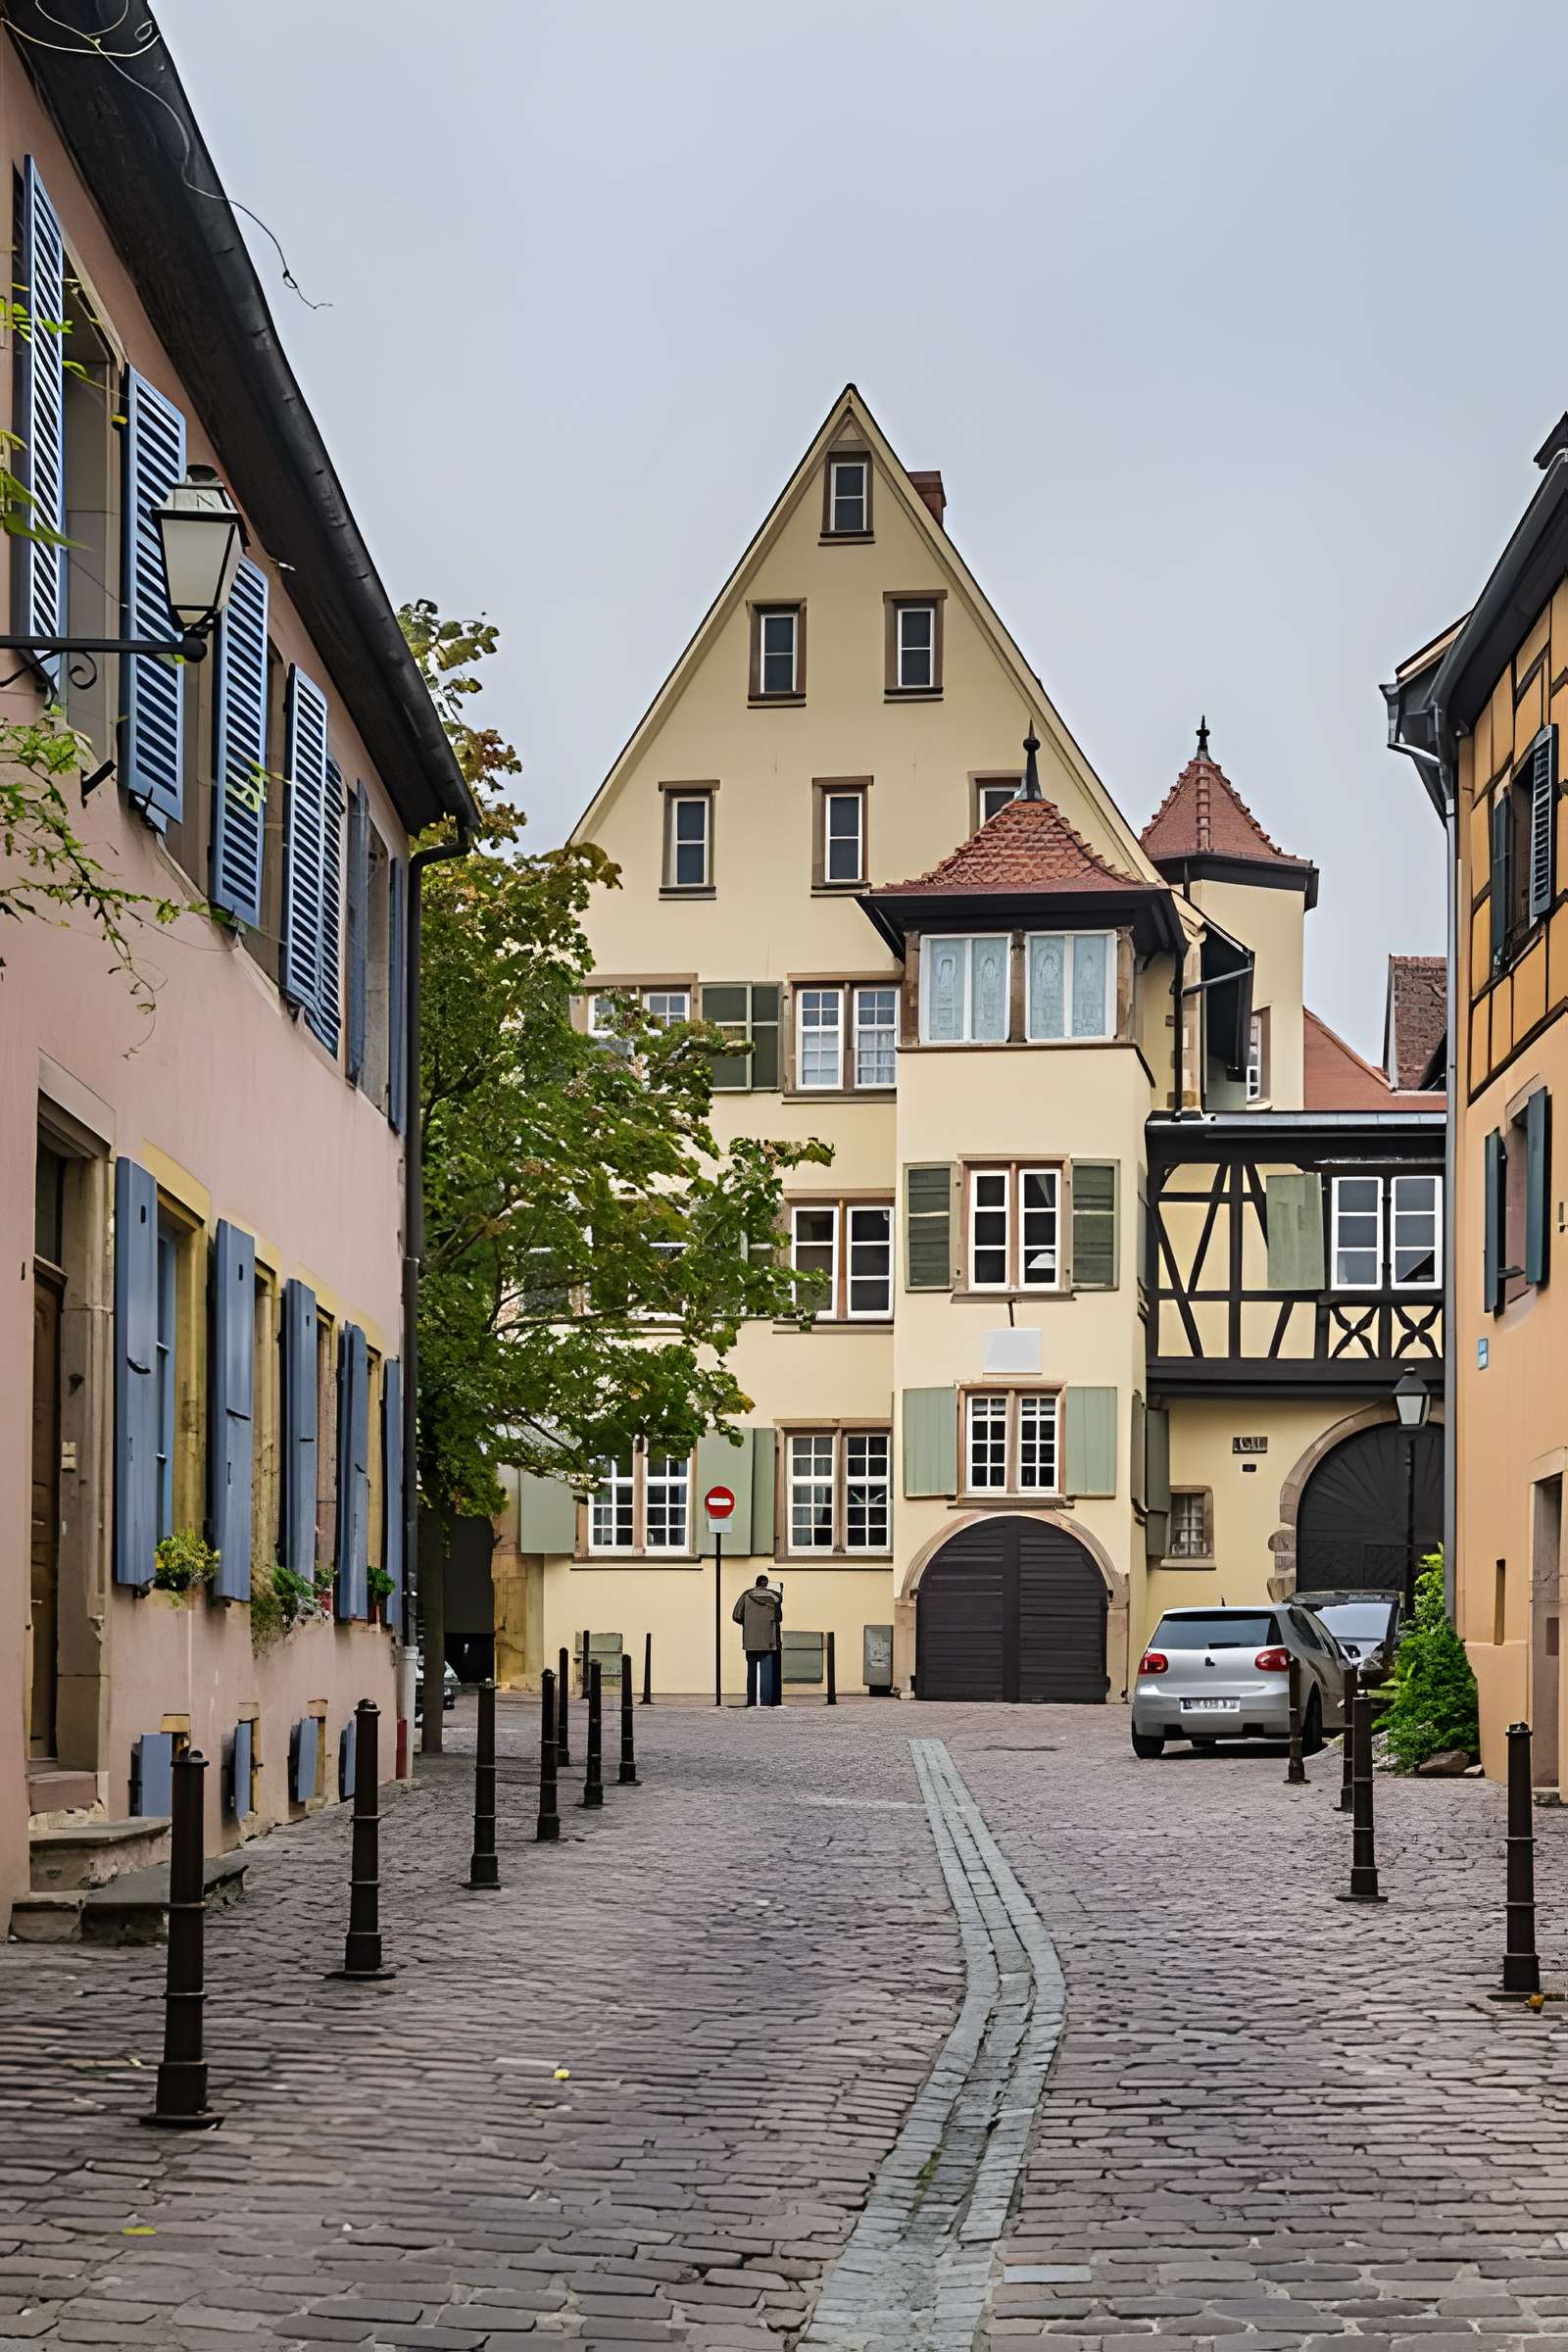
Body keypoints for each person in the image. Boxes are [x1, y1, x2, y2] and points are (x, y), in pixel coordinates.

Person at [733, 1573, 782, 1706]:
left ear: (756, 1583)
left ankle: (752, 1701)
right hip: (769, 1640)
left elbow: (736, 1615)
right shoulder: (776, 1597)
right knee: (767, 1673)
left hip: (751, 1640)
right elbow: (779, 1618)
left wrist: (748, 1622)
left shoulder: (746, 1595)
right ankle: (766, 1701)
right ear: (766, 1584)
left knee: (751, 1672)